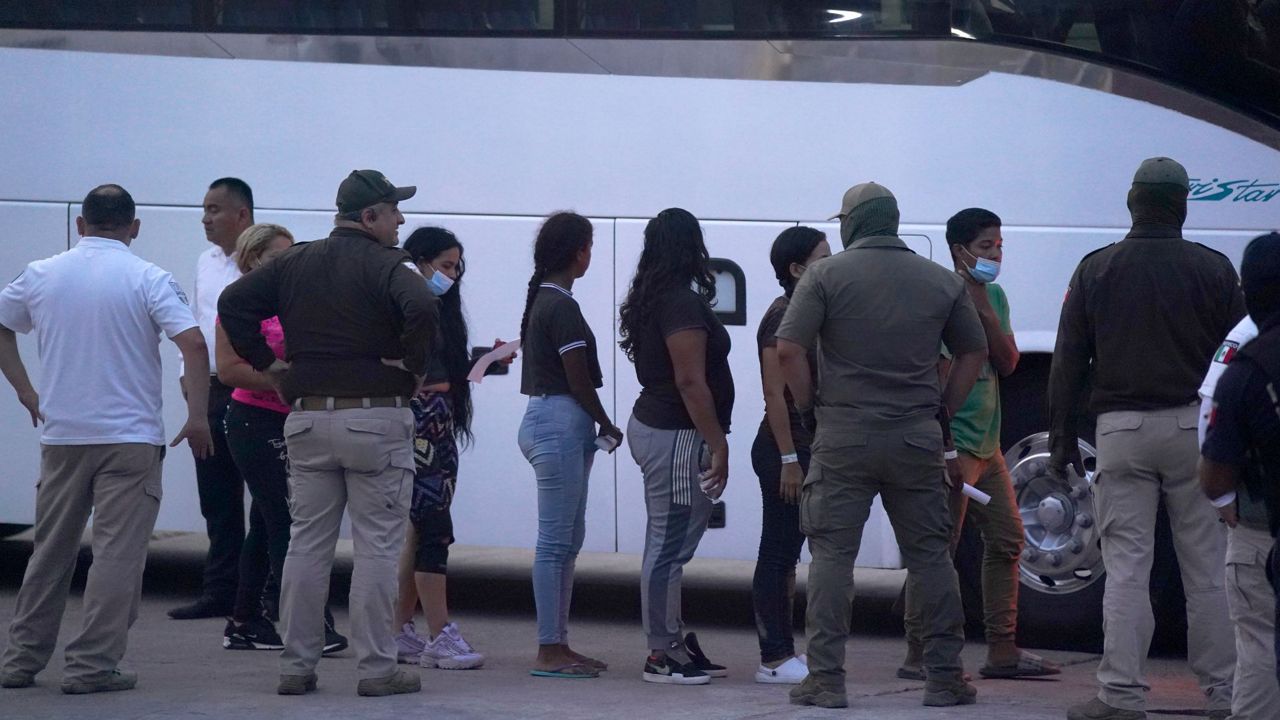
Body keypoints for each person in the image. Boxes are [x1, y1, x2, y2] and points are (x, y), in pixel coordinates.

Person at [219, 169, 437, 697]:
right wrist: (412, 367)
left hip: (308, 419)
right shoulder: (391, 264)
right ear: (369, 218)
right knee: (378, 549)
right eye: (393, 210)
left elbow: (233, 305)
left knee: (306, 546)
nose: (401, 219)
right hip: (377, 418)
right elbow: (425, 306)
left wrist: (270, 366)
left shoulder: (295, 261)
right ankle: (377, 670)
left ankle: (296, 666)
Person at [776, 182, 987, 709]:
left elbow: (787, 348)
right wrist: (941, 411)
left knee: (831, 558)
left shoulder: (825, 275)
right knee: (931, 558)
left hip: (843, 434)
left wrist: (810, 409)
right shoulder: (940, 280)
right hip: (916, 436)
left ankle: (826, 679)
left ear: (853, 223)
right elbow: (973, 353)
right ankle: (943, 677)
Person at [1049, 157, 1242, 720]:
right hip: (1192, 429)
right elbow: (1237, 359)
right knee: (1205, 568)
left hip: (1120, 432)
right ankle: (1225, 693)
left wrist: (1061, 437)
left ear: (1131, 203)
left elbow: (1067, 362)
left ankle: (1120, 695)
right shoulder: (1214, 270)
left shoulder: (1096, 269)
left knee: (1128, 567)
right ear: (1182, 205)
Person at [0, 184, 212, 693]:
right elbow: (194, 341)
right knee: (118, 556)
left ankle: (20, 662)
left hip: (63, 436)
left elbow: (3, 326)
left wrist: (26, 390)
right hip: (131, 439)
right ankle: (92, 667)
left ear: (80, 224)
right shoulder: (149, 278)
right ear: (134, 227)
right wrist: (198, 415)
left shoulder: (41, 274)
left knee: (50, 551)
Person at [900, 208, 1059, 680]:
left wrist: (986, 310)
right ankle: (917, 653)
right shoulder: (940, 297)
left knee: (1008, 539)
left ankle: (1002, 649)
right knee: (937, 550)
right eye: (986, 246)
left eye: (999, 245)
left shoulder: (994, 297)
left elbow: (1009, 362)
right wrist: (943, 445)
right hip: (955, 445)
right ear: (958, 250)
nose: (995, 255)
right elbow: (940, 377)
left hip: (987, 446)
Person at [215, 223, 347, 656]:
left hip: (292, 421)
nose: (288, 267)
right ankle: (310, 624)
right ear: (254, 261)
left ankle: (244, 620)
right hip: (253, 420)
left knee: (264, 522)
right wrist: (282, 378)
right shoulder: (239, 306)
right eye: (278, 259)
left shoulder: (295, 301)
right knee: (285, 519)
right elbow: (229, 369)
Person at [619, 207, 734, 686]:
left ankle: (672, 640)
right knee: (668, 545)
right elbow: (690, 381)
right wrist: (717, 442)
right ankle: (659, 654)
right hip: (677, 435)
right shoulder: (681, 303)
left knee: (671, 543)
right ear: (693, 246)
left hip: (665, 430)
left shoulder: (655, 296)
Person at [517, 212, 620, 679]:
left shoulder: (546, 299)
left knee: (566, 541)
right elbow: (577, 377)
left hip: (553, 420)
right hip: (560, 421)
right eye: (589, 247)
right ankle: (548, 648)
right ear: (579, 251)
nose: (590, 256)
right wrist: (606, 422)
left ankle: (557, 643)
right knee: (557, 542)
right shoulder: (561, 305)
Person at [392, 226, 487, 671]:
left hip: (438, 419)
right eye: (445, 265)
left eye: (455, 267)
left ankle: (398, 629)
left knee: (419, 529)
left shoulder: (435, 307)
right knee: (434, 526)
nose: (451, 275)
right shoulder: (410, 303)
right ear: (421, 260)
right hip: (424, 423)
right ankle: (440, 634)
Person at [1199, 232, 1280, 718]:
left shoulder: (1245, 369)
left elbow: (1213, 478)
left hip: (1262, 528)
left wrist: (1225, 506)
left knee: (1258, 649)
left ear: (1247, 292)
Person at [169, 177, 256, 621]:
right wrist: (189, 381)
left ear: (242, 215)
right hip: (212, 389)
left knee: (266, 496)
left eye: (214, 209)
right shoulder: (205, 261)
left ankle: (264, 594)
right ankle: (220, 591)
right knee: (217, 498)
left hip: (254, 389)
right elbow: (197, 326)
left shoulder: (263, 260)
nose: (205, 218)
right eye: (204, 209)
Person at [750, 226, 830, 685]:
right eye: (823, 258)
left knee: (791, 552)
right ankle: (774, 657)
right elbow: (774, 396)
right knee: (778, 552)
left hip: (805, 448)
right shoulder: (781, 316)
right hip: (785, 449)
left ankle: (785, 651)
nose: (832, 264)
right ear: (797, 269)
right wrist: (788, 459)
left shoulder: (813, 310)